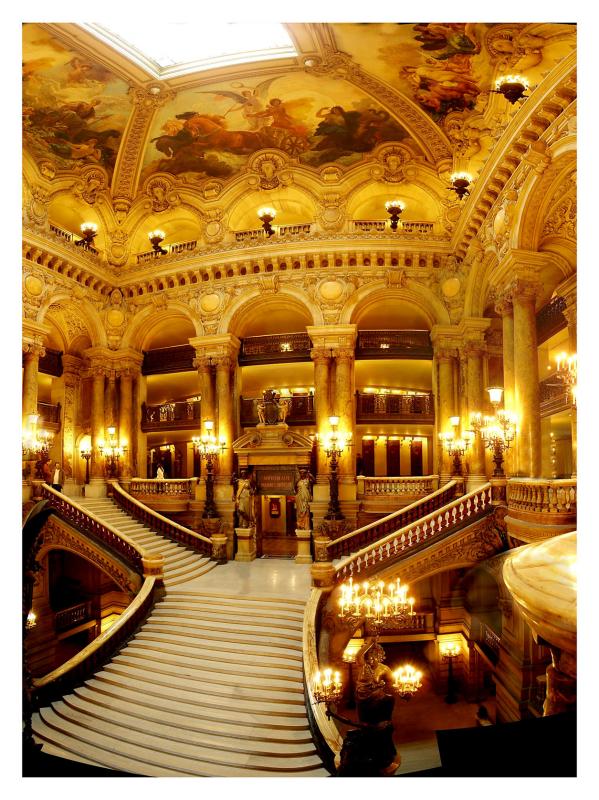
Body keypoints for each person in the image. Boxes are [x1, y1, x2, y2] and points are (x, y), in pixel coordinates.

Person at [355, 641, 396, 724]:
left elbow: (393, 682)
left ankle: (385, 721)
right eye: (367, 656)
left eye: (373, 656)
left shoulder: (384, 669)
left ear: (379, 655)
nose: (370, 659)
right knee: (365, 720)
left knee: (389, 699)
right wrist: (371, 642)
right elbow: (358, 655)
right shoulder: (363, 666)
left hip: (377, 694)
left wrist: (382, 685)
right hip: (363, 695)